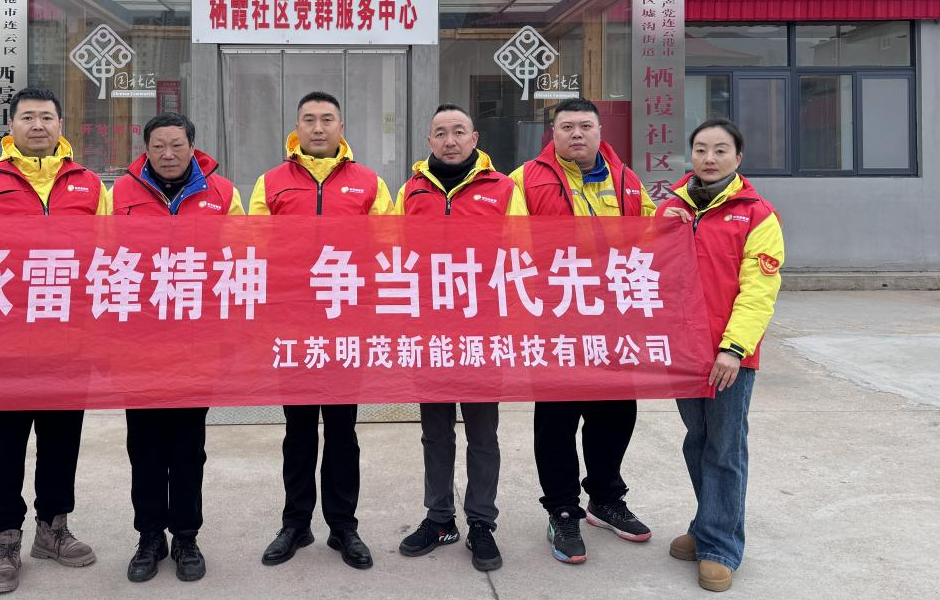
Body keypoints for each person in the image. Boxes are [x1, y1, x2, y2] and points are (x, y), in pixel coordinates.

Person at [0, 86, 112, 595]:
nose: (37, 125)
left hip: (69, 336)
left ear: (61, 125)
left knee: (62, 438)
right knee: (3, 442)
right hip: (5, 338)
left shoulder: (89, 185)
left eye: (46, 116)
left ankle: (53, 528)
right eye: (28, 117)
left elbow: (109, 253)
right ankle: (5, 539)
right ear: (12, 126)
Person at [248, 91, 392, 571]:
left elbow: (387, 249)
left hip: (346, 324)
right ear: (296, 127)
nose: (317, 127)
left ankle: (343, 526)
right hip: (292, 326)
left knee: (343, 430)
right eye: (308, 119)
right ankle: (295, 523)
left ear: (341, 126)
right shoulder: (271, 183)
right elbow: (254, 249)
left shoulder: (369, 183)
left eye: (327, 119)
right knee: (298, 430)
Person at [509, 97, 655, 565]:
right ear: (552, 134)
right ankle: (562, 510)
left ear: (599, 131)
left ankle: (605, 498)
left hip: (615, 320)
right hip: (555, 319)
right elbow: (507, 243)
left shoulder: (626, 180)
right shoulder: (525, 180)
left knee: (616, 412)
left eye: (585, 126)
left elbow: (652, 234)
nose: (577, 134)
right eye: (567, 126)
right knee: (557, 419)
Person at [392, 104, 527, 573]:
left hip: (482, 331)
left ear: (474, 138)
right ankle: (439, 519)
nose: (449, 141)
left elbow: (523, 254)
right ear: (429, 141)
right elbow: (393, 255)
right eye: (440, 133)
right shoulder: (410, 190)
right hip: (429, 331)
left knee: (483, 433)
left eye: (458, 132)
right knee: (435, 432)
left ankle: (482, 523)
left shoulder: (504, 189)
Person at [112, 112, 244, 584]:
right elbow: (101, 256)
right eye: (158, 146)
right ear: (145, 149)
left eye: (177, 145)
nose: (168, 155)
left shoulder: (222, 194)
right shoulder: (120, 193)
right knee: (144, 447)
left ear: (193, 146)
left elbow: (241, 258)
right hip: (139, 341)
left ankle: (186, 535)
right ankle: (149, 537)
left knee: (188, 447)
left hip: (196, 341)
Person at [658, 118, 784, 592]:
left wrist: (733, 348)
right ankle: (707, 523)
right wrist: (658, 233)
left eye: (720, 150)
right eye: (700, 149)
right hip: (683, 353)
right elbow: (647, 273)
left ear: (738, 157)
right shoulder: (671, 207)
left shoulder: (757, 215)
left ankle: (721, 546)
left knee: (725, 447)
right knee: (698, 440)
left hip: (728, 356)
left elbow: (759, 291)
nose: (709, 158)